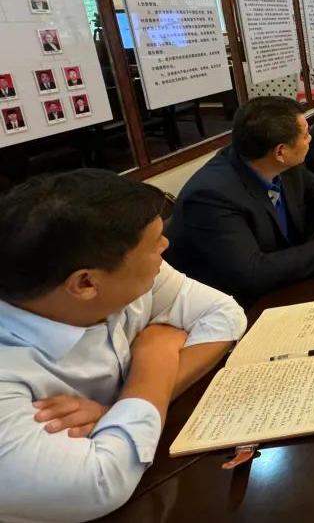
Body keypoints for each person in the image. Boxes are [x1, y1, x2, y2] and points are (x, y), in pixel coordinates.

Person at [0, 169, 246, 522]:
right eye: (155, 242)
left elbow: (224, 315)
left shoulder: (122, 276)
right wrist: (153, 360)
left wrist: (119, 408)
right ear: (85, 284)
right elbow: (98, 483)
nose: (166, 245)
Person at [165, 96, 314, 302]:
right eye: (305, 135)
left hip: (287, 279)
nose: (311, 139)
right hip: (233, 305)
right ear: (280, 151)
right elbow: (252, 273)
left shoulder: (277, 162)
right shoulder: (211, 196)